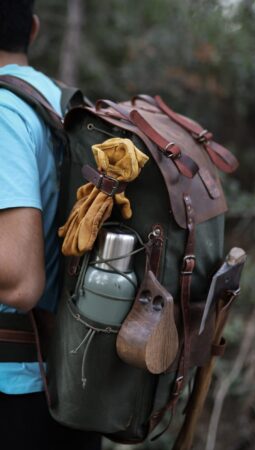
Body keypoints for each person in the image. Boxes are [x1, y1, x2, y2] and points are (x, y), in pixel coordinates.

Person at [0, 2, 101, 449]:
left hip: (14, 394)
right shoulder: (62, 102)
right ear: (33, 30)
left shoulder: (3, 114)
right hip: (70, 387)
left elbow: (21, 279)